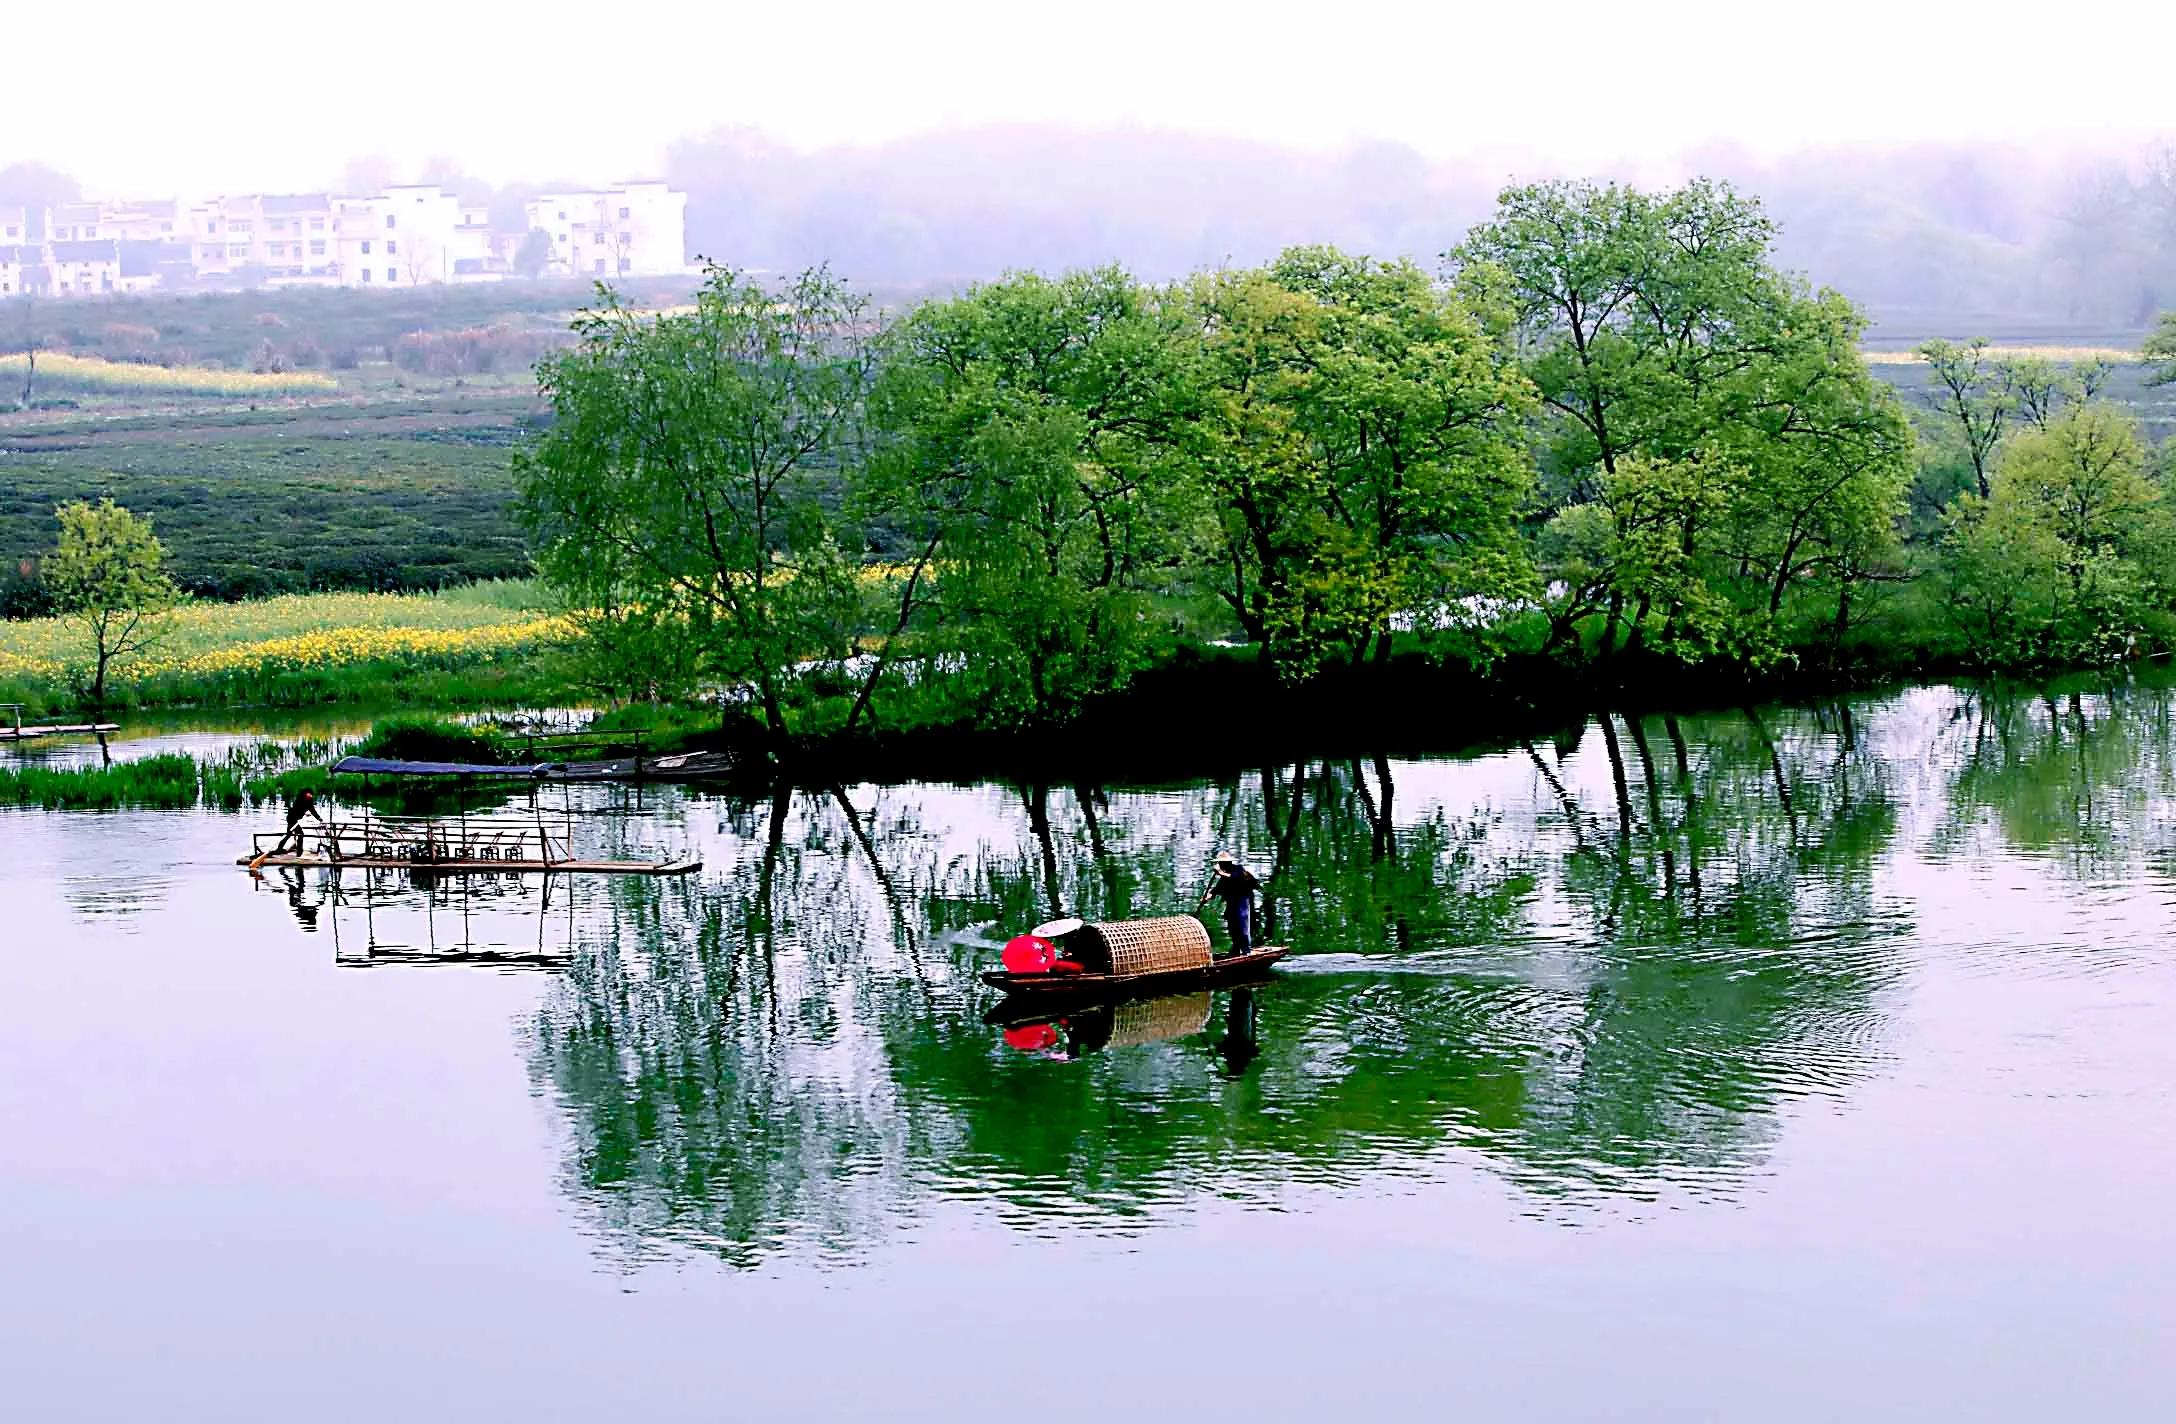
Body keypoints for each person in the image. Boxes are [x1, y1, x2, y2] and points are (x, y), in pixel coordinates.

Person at [1196, 850, 1261, 957]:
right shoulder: (1224, 877)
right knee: (1232, 927)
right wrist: (1206, 897)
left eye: (1222, 863)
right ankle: (1236, 949)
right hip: (1231, 904)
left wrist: (1220, 873)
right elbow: (1216, 890)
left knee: (1242, 925)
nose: (1221, 865)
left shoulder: (1238, 869)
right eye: (1220, 863)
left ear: (1228, 863)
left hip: (1242, 902)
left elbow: (1235, 878)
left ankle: (1246, 951)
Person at [271, 787, 325, 857]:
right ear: (305, 794)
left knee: (289, 834)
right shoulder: (299, 800)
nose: (310, 796)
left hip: (296, 820)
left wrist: (319, 818)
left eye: (311, 795)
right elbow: (296, 810)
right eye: (308, 794)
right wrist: (303, 813)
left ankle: (281, 849)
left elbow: (312, 810)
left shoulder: (309, 802)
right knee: (299, 834)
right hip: (291, 818)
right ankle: (298, 851)